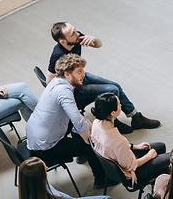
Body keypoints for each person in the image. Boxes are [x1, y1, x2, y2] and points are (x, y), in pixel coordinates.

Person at [46, 22, 160, 134]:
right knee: (112, 90)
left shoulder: (76, 38)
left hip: (82, 76)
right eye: (72, 33)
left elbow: (98, 44)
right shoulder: (58, 55)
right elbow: (49, 80)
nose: (76, 33)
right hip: (75, 88)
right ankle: (112, 121)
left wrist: (93, 39)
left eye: (75, 30)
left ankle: (136, 117)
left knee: (116, 86)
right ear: (63, 41)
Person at [26, 54, 114, 189]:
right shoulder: (64, 91)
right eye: (79, 72)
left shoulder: (56, 81)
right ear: (67, 74)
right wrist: (89, 138)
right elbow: (78, 121)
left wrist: (87, 127)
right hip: (45, 147)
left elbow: (75, 116)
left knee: (83, 130)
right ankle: (101, 179)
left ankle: (83, 153)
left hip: (36, 135)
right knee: (91, 145)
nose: (83, 75)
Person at [90, 92, 170, 187]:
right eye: (118, 104)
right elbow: (132, 165)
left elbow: (111, 148)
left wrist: (134, 147)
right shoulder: (118, 141)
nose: (121, 105)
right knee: (171, 157)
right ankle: (161, 186)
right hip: (132, 173)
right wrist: (149, 156)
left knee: (161, 146)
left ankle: (156, 179)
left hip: (117, 162)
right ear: (112, 113)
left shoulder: (96, 124)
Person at [19, 157, 111, 199]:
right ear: (39, 176)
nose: (47, 168)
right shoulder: (43, 189)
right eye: (45, 169)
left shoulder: (34, 188)